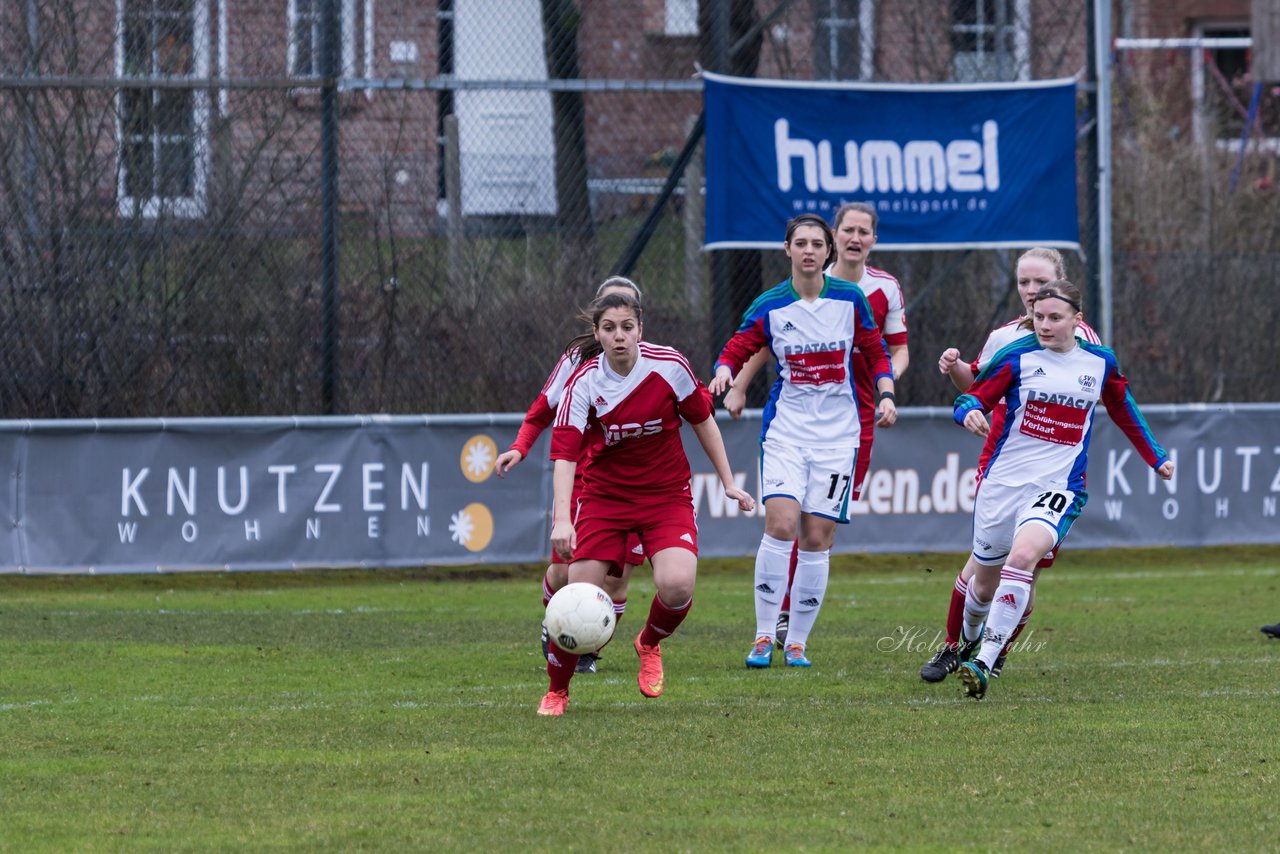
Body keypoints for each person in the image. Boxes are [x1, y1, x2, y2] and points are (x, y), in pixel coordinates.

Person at [951, 280, 1174, 699]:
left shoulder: (1099, 362)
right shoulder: (1016, 356)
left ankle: (985, 661)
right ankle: (966, 644)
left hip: (1059, 486)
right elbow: (972, 397)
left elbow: (1125, 410)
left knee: (1022, 558)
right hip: (1002, 484)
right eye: (1039, 317)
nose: (1046, 325)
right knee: (982, 585)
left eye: (1055, 317)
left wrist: (1155, 456)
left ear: (1078, 319)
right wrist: (968, 413)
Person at [536, 291, 755, 716]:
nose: (619, 336)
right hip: (605, 497)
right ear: (597, 333)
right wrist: (562, 519)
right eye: (609, 328)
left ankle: (649, 643)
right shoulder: (584, 381)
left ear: (641, 329)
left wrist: (728, 481)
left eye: (627, 327)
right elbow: (564, 454)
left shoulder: (669, 365)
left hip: (665, 495)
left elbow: (702, 420)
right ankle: (557, 691)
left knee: (677, 586)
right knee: (576, 593)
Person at [710, 213, 897, 669]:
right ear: (788, 250)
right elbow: (741, 344)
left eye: (817, 243)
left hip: (838, 437)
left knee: (817, 536)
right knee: (780, 524)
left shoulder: (851, 300)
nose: (810, 250)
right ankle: (760, 637)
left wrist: (887, 393)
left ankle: (796, 642)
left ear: (827, 251)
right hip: (787, 432)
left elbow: (875, 352)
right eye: (802, 243)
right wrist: (724, 371)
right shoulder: (771, 304)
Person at [919, 248, 1100, 683]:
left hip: (1051, 475)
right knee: (982, 575)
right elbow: (978, 387)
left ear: (1061, 284)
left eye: (1040, 283)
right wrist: (956, 369)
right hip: (1000, 463)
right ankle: (957, 647)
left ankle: (988, 653)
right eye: (1024, 283)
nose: (1032, 292)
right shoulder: (1004, 337)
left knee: (1022, 567)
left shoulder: (1085, 340)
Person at [495, 276, 645, 675]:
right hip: (588, 479)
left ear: (637, 320)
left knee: (616, 581)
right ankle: (556, 622)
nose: (618, 327)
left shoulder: (654, 362)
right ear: (598, 321)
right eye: (609, 317)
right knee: (566, 571)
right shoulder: (578, 361)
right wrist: (520, 445)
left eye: (627, 315)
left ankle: (586, 647)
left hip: (639, 485)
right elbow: (543, 408)